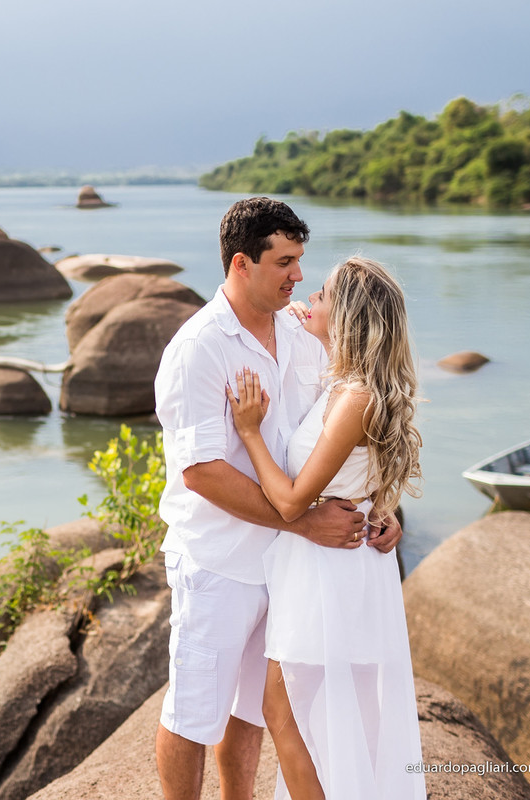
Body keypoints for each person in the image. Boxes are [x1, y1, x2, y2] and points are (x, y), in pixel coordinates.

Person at [152, 197, 403, 800]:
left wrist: (381, 507)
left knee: (256, 711)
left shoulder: (303, 328)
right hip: (221, 561)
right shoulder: (200, 348)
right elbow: (203, 474)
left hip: (290, 569)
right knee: (194, 713)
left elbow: (346, 436)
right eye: (285, 261)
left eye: (300, 261)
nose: (297, 276)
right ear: (242, 263)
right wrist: (303, 524)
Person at [226, 256, 425, 799]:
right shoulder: (346, 383)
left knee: (285, 711)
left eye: (323, 294)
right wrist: (298, 317)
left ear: (349, 318)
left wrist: (249, 433)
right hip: (336, 564)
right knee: (334, 717)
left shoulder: (356, 397)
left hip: (328, 570)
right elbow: (363, 480)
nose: (309, 295)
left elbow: (292, 501)